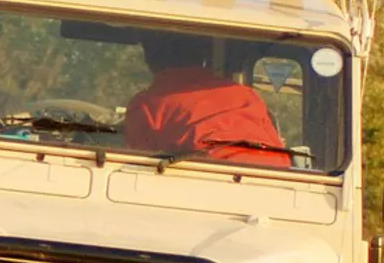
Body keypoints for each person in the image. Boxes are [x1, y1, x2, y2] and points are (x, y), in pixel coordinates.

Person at [121, 31, 292, 167]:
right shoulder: (247, 95)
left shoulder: (146, 105)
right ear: (201, 56)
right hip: (274, 176)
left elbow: (141, 166)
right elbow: (275, 145)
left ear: (150, 57)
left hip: (204, 179)